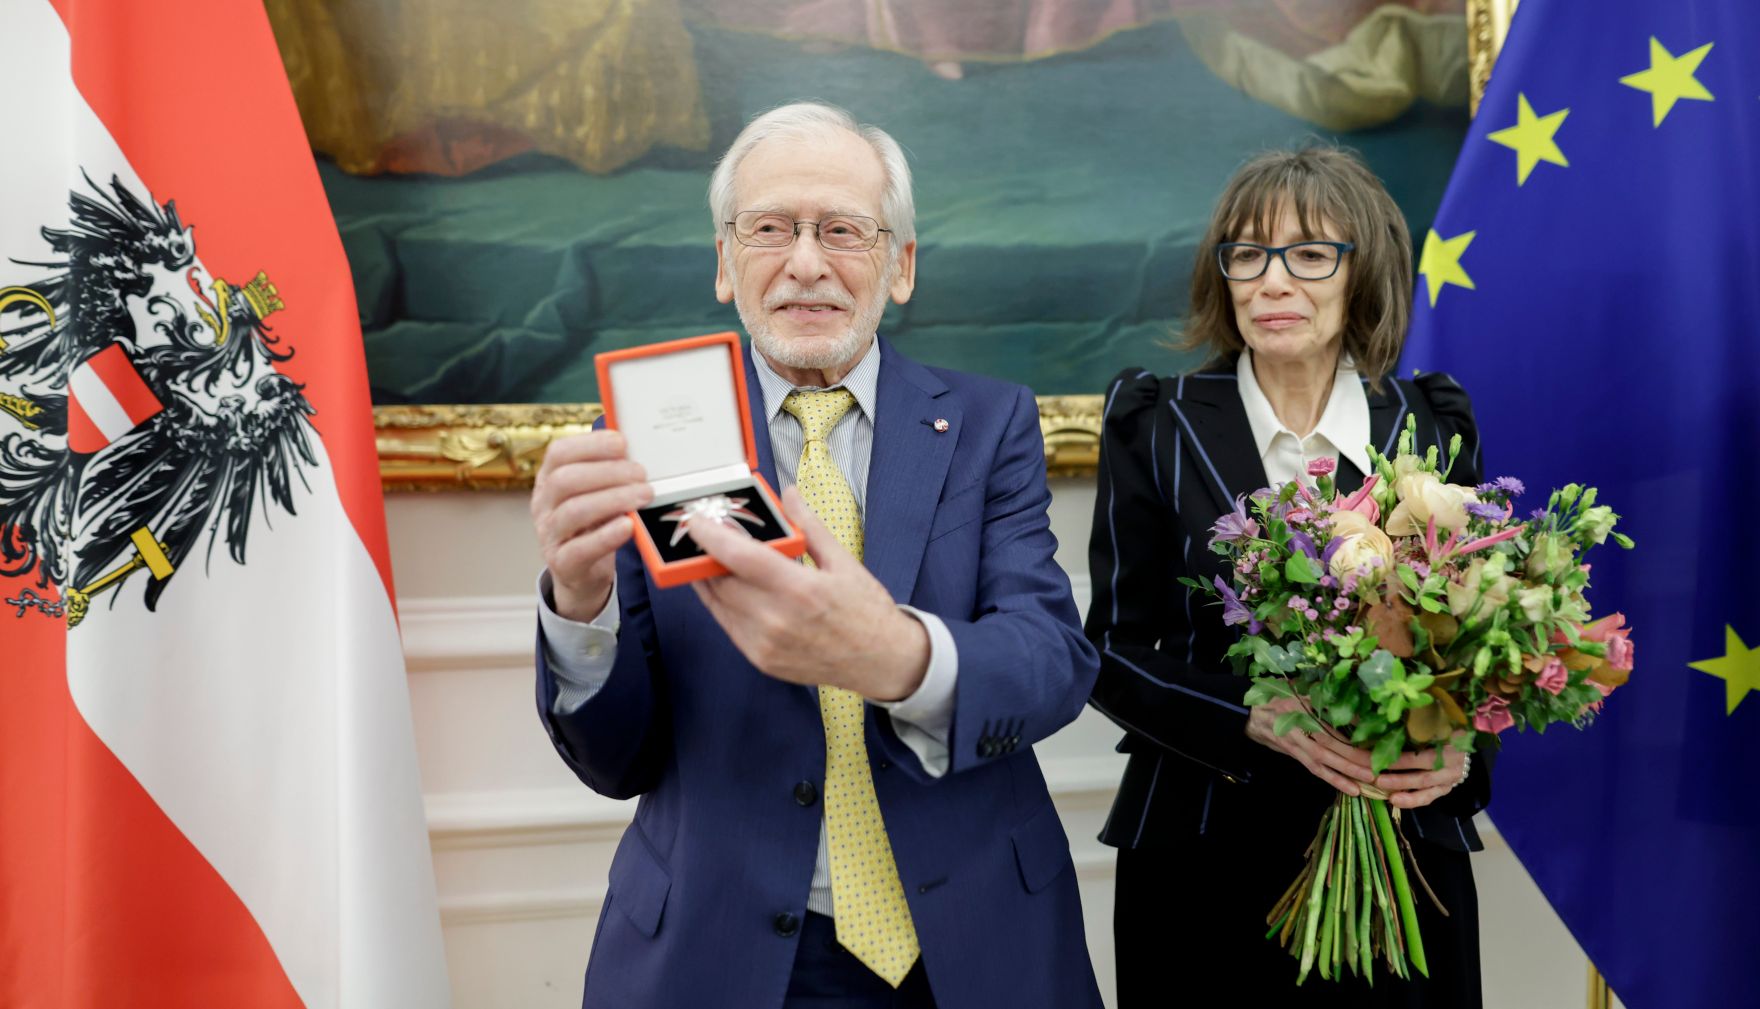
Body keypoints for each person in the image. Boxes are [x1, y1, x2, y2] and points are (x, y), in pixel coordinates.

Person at [530, 101, 1104, 1009]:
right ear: (725, 261)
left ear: (900, 265)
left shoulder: (990, 424)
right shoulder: (650, 434)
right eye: (770, 229)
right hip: (722, 954)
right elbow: (616, 759)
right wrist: (579, 596)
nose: (806, 262)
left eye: (842, 229)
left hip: (967, 949)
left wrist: (898, 657)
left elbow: (1052, 661)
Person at [1085, 146, 1491, 1008]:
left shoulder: (1431, 419)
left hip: (1404, 851)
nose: (1272, 281)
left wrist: (1459, 752)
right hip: (1200, 853)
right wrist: (1253, 717)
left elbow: (1479, 645)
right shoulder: (1152, 424)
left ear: (1363, 272)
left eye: (1309, 255)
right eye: (1247, 254)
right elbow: (1111, 652)